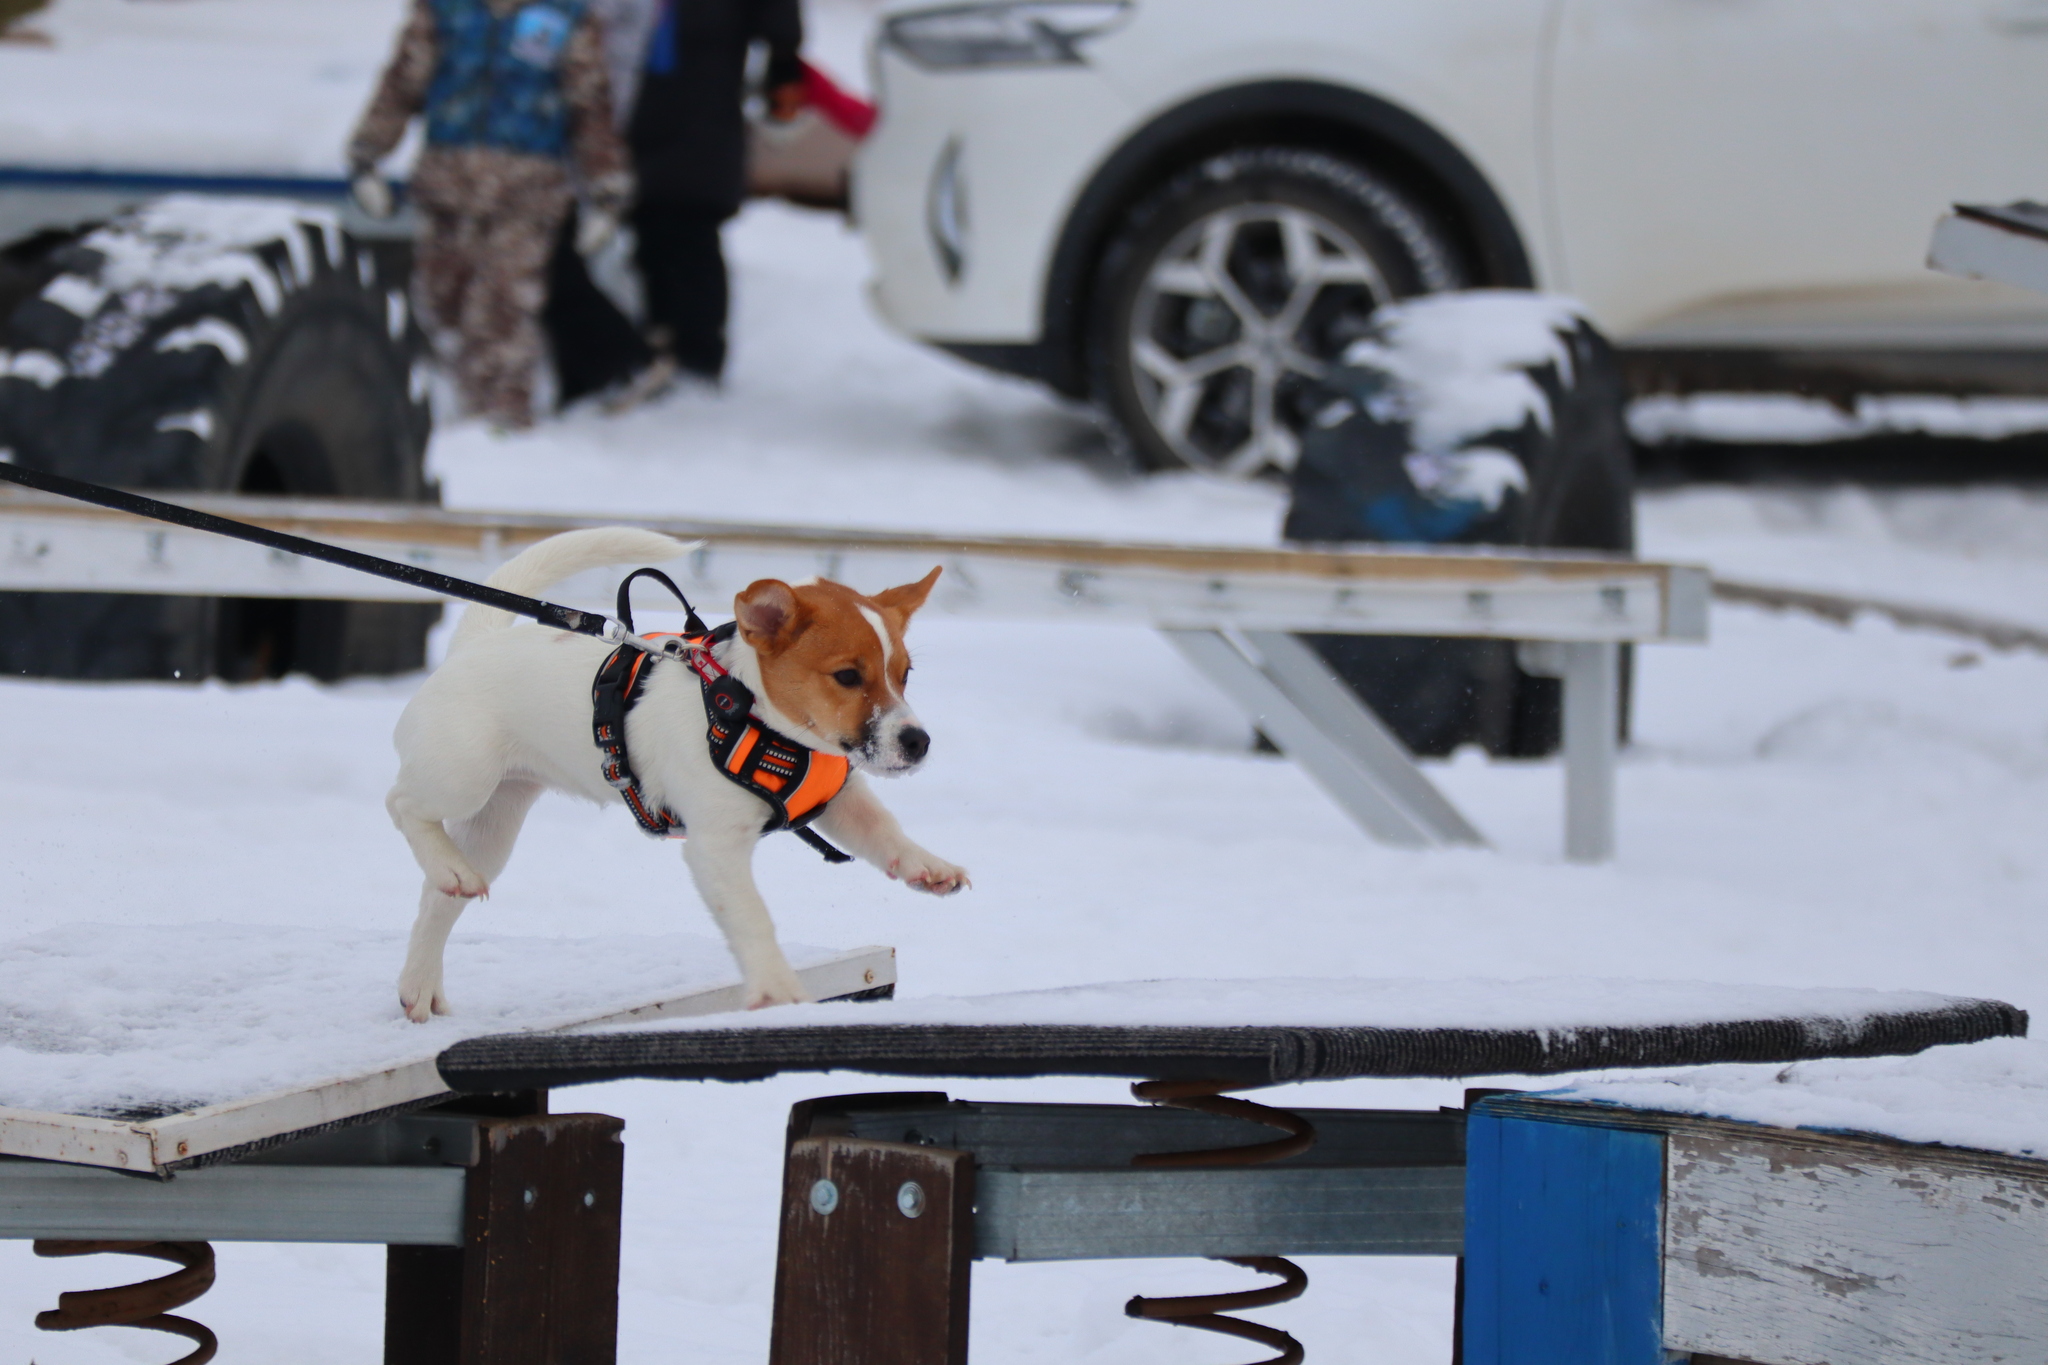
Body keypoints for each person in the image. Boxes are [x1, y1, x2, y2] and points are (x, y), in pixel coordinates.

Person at [348, 0, 632, 429]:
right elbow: (403, 81)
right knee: (443, 302)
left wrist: (604, 188)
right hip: (448, 186)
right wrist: (368, 154)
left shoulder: (563, 16)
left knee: (503, 309)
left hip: (526, 190)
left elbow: (590, 104)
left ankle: (501, 420)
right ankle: (441, 416)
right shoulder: (446, 11)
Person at [628, 0, 805, 382]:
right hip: (639, 119)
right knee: (649, 235)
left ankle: (697, 358)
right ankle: (658, 345)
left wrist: (783, 89)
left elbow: (781, 33)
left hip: (702, 118)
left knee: (691, 238)